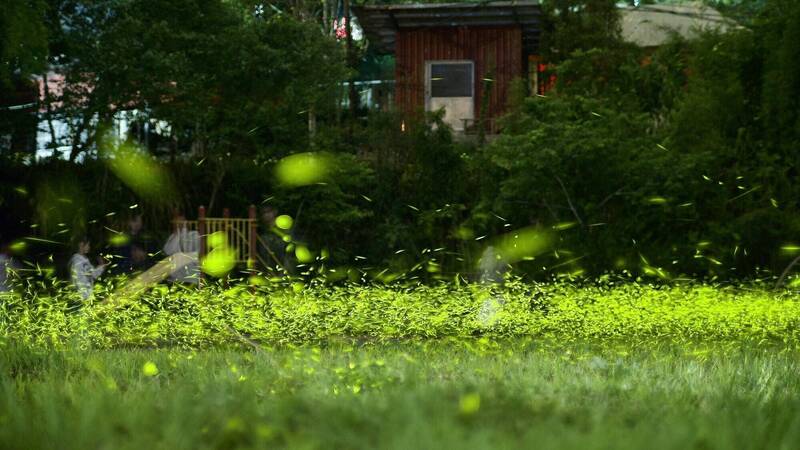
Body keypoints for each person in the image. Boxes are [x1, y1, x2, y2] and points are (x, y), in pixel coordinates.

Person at [163, 213, 200, 284]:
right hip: (175, 278)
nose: (179, 223)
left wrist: (184, 230)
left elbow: (188, 250)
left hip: (191, 277)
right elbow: (167, 251)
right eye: (176, 221)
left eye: (182, 221)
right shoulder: (173, 236)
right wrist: (177, 233)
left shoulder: (194, 234)